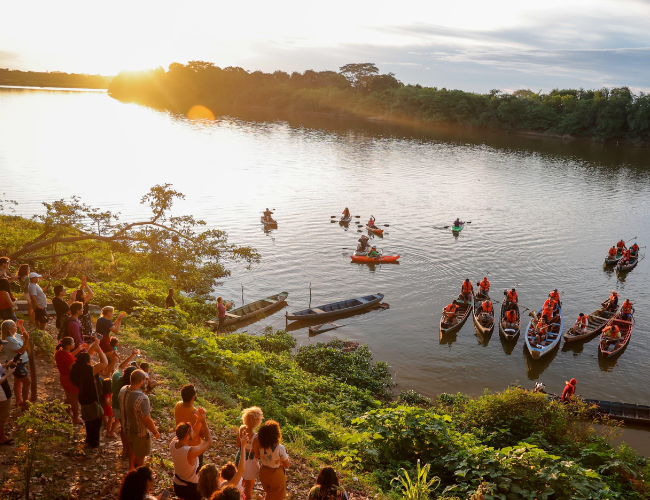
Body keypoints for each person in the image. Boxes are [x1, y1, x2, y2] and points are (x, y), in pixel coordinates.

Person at [69, 339, 108, 448]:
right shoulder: (90, 370)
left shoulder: (76, 368)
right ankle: (94, 442)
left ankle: (89, 439)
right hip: (93, 398)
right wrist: (99, 350)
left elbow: (86, 357)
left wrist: (94, 347)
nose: (92, 359)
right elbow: (105, 363)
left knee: (88, 419)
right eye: (90, 359)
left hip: (83, 397)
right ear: (87, 362)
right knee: (96, 421)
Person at [170, 409, 216, 500]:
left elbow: (193, 432)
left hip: (177, 485)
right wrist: (203, 421)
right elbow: (209, 441)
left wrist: (198, 421)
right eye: (190, 432)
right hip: (191, 489)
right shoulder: (190, 452)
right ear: (187, 436)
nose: (193, 433)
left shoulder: (173, 443)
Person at [120, 369, 160, 470]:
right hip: (139, 433)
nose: (146, 382)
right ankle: (138, 476)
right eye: (145, 380)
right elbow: (147, 420)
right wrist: (155, 432)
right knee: (140, 458)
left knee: (132, 450)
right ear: (141, 381)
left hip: (126, 428)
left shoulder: (123, 390)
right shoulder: (143, 399)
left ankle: (131, 469)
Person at [55, 337, 88, 424]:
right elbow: (72, 369)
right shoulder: (67, 356)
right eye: (73, 343)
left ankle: (67, 413)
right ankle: (75, 418)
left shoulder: (60, 352)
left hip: (63, 378)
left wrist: (79, 349)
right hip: (70, 379)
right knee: (74, 399)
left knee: (69, 397)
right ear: (68, 345)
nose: (74, 344)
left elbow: (69, 356)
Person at [255, 420, 290, 500]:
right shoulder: (280, 448)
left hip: (264, 472)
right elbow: (287, 464)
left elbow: (257, 455)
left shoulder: (260, 446)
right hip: (276, 474)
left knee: (269, 492)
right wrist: (287, 458)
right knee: (278, 495)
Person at [1, 319, 31, 409]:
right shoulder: (9, 340)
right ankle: (25, 403)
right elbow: (21, 351)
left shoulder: (15, 336)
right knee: (27, 382)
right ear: (9, 329)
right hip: (16, 364)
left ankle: (18, 400)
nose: (16, 327)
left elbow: (25, 336)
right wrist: (26, 341)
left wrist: (22, 328)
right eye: (14, 326)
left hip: (21, 362)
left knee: (17, 381)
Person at [174, 384, 205, 470]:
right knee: (195, 473)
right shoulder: (195, 413)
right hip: (194, 447)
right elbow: (202, 434)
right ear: (193, 397)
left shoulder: (178, 405)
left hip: (181, 442)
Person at [113, 359, 139, 459]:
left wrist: (131, 356)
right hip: (127, 411)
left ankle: (125, 449)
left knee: (123, 428)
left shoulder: (116, 379)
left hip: (116, 408)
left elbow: (119, 367)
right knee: (129, 431)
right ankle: (129, 452)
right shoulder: (132, 389)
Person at [238, 406, 264, 500]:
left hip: (240, 457)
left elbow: (238, 444)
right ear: (257, 421)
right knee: (248, 487)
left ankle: (238, 496)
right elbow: (257, 455)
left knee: (240, 481)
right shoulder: (255, 437)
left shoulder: (241, 429)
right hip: (250, 463)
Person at [97, 306, 127, 374]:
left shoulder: (100, 319)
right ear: (108, 313)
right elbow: (116, 331)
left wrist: (118, 319)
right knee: (114, 359)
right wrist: (120, 321)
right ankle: (108, 376)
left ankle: (101, 371)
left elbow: (111, 326)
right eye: (112, 313)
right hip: (104, 341)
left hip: (99, 340)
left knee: (103, 358)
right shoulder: (107, 321)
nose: (112, 314)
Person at [0, 359, 16, 445]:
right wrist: (9, 374)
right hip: (2, 394)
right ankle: (2, 437)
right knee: (1, 417)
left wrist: (6, 365)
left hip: (3, 392)